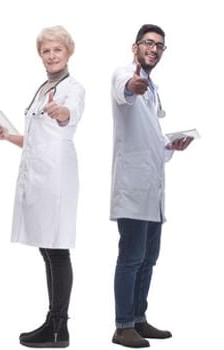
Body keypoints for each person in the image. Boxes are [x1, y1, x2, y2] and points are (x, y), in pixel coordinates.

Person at [0, 25, 84, 349]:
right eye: (46, 51)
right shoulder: (44, 88)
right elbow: (36, 140)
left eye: (58, 50)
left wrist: (61, 112)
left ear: (68, 53)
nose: (52, 55)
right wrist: (8, 136)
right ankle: (52, 321)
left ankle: (60, 327)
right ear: (40, 55)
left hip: (56, 178)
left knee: (57, 248)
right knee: (47, 248)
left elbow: (68, 115)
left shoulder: (72, 88)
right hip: (39, 174)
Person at [107, 24, 188, 349]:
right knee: (131, 257)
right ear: (135, 46)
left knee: (149, 257)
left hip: (152, 191)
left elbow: (150, 139)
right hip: (132, 187)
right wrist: (132, 85)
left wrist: (171, 145)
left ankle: (138, 319)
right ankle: (122, 325)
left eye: (159, 46)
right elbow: (123, 89)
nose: (154, 49)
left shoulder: (153, 88)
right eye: (149, 43)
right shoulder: (125, 74)